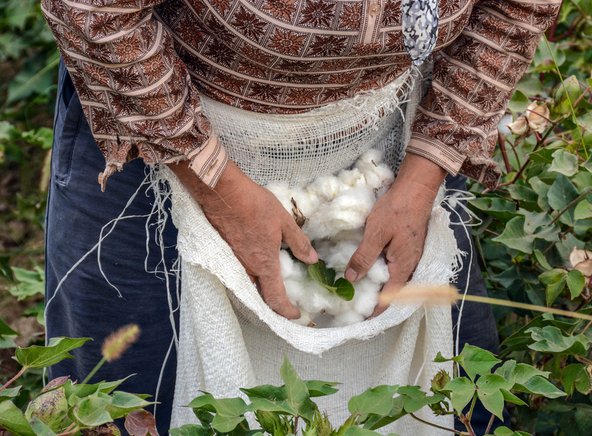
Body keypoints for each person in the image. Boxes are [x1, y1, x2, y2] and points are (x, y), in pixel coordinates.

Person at [41, 0, 560, 433]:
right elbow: (94, 9)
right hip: (163, 135)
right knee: (131, 400)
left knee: (454, 394)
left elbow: (517, 7)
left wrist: (423, 177)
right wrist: (217, 186)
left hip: (395, 149)